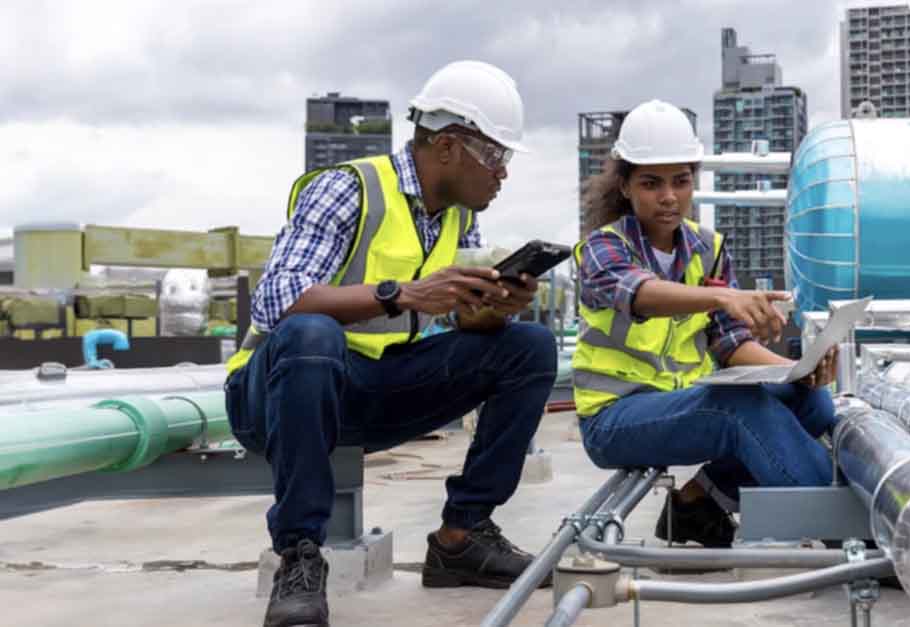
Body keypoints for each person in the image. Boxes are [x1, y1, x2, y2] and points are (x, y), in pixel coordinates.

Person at [224, 60, 557, 627]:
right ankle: (300, 554)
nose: (502, 174)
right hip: (279, 395)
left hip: (372, 389)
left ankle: (462, 537)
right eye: (497, 155)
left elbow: (450, 326)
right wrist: (399, 293)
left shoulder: (456, 219)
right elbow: (275, 303)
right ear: (449, 146)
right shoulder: (347, 189)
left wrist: (490, 311)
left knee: (528, 346)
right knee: (310, 333)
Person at [573, 99, 839, 549]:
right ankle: (845, 528)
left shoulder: (706, 248)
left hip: (679, 405)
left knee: (812, 403)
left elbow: (729, 341)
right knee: (735, 409)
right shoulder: (603, 248)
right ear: (625, 187)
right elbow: (640, 294)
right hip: (614, 417)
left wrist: (797, 369)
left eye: (681, 181)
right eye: (652, 183)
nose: (669, 196)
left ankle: (697, 504)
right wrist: (723, 296)